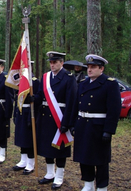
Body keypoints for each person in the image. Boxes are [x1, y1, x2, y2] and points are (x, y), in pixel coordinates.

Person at [70, 54, 121, 191]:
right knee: (84, 156)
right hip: (82, 125)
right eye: (88, 67)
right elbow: (76, 106)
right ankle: (88, 184)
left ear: (101, 68)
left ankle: (102, 187)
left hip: (98, 127)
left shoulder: (109, 84)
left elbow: (114, 110)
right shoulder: (83, 84)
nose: (90, 70)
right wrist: (73, 124)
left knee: (101, 160)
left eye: (93, 67)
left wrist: (109, 130)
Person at [33, 51, 77, 190]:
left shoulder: (69, 78)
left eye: (55, 62)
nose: (52, 65)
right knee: (47, 147)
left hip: (60, 117)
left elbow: (72, 102)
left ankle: (59, 176)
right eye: (51, 62)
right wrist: (33, 99)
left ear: (61, 63)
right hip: (45, 117)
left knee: (60, 149)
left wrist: (67, 123)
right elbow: (41, 95)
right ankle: (50, 173)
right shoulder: (45, 77)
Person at [12, 74, 39, 175]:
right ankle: (23, 160)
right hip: (20, 110)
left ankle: (31, 163)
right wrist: (15, 114)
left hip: (29, 112)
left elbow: (36, 100)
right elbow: (17, 98)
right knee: (21, 137)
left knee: (29, 139)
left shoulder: (34, 82)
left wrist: (31, 117)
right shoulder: (19, 81)